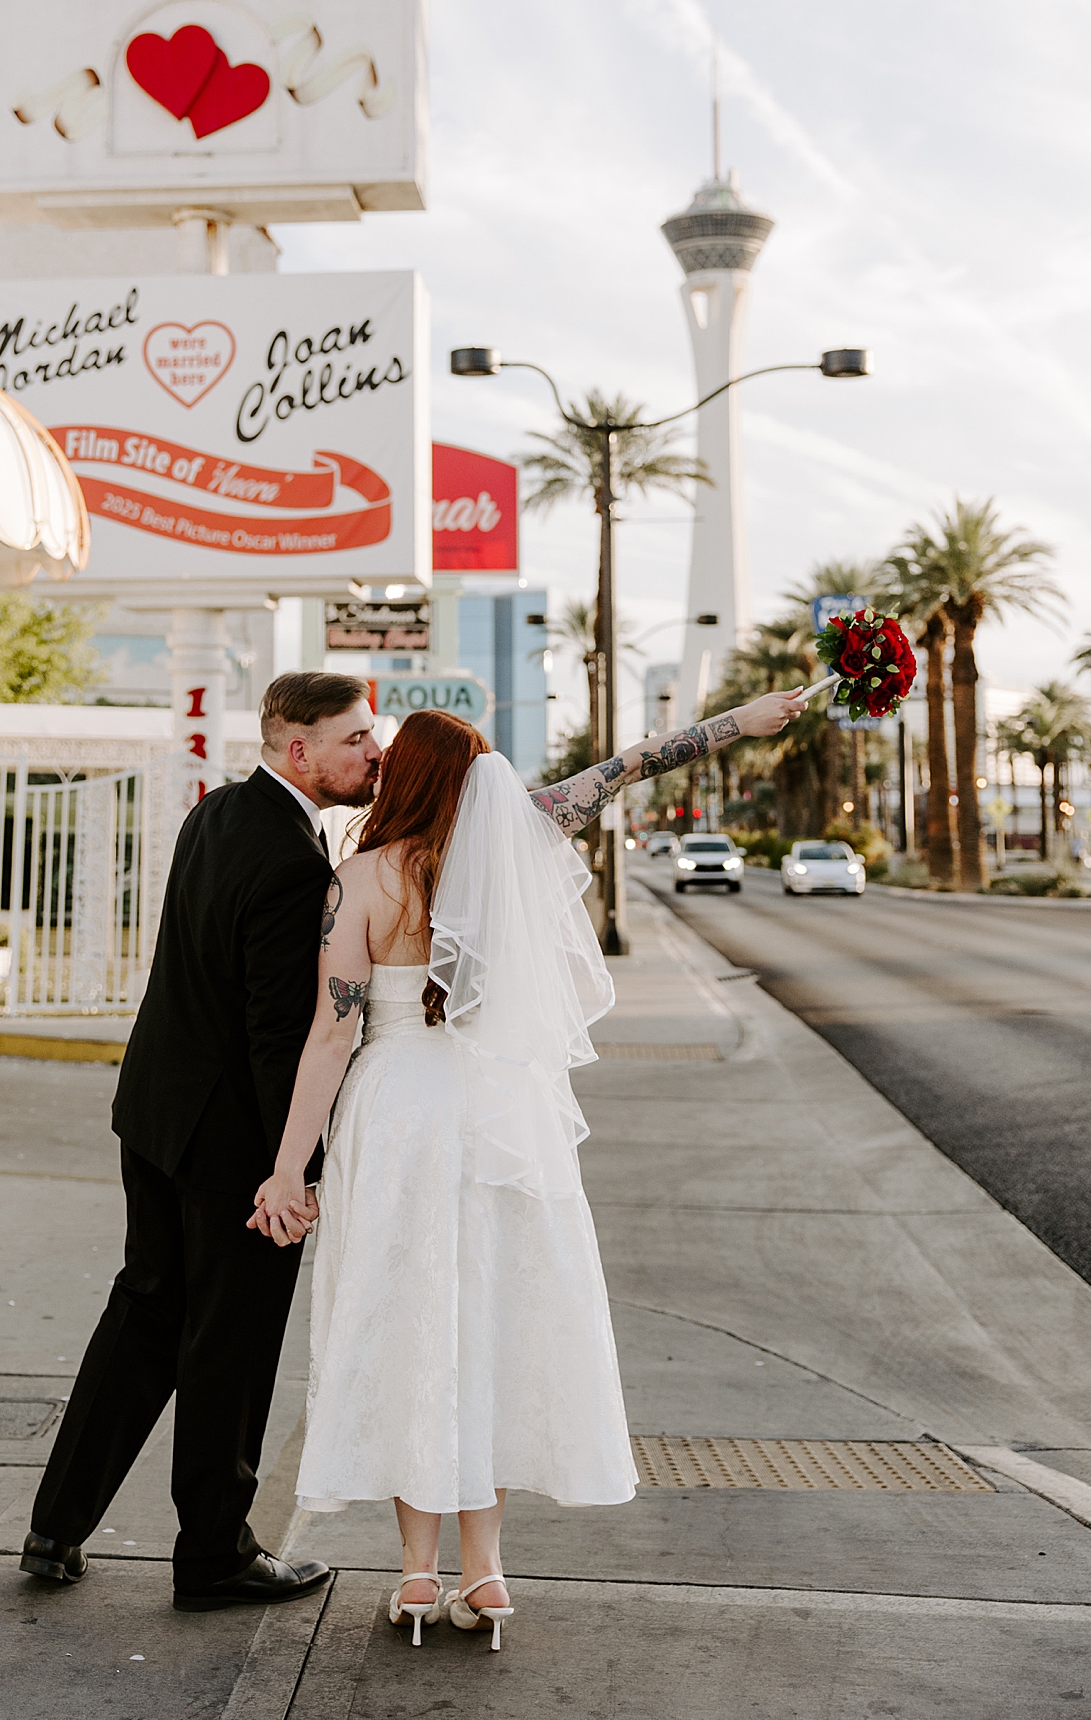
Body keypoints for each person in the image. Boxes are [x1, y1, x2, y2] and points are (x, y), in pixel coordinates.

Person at [250, 689, 801, 1650]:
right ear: (480, 783)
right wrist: (737, 724)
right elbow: (632, 764)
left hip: (400, 1115)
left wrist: (290, 1168)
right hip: (503, 1118)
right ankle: (488, 1572)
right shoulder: (516, 845)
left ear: (406, 776)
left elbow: (333, 1031)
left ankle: (417, 1576)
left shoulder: (363, 878)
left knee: (410, 1324)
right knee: (493, 1321)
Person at [22, 671, 381, 1611]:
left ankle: (55, 1526)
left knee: (144, 1314)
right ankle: (214, 1556)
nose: (372, 754)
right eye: (354, 740)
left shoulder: (216, 813)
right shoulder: (298, 864)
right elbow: (277, 1034)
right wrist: (288, 1172)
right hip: (230, 1147)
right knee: (231, 1343)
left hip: (155, 1114)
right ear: (297, 748)